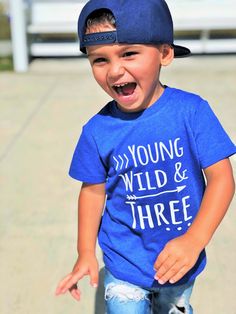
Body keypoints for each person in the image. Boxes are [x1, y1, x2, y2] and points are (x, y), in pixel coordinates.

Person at [55, 0, 235, 313]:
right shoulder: (97, 131)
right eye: (99, 60)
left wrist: (195, 240)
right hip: (123, 261)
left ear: (165, 54)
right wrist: (85, 251)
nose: (114, 70)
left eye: (128, 54)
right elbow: (92, 194)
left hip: (178, 261)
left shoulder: (192, 112)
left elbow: (221, 179)